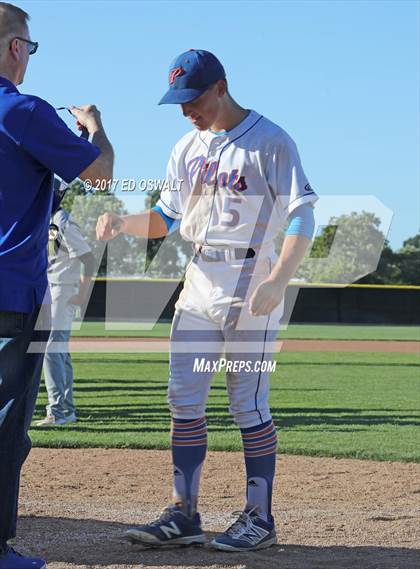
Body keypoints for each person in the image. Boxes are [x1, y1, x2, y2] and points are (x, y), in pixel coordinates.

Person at [96, 49, 318, 552]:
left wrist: (279, 279)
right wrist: (122, 223)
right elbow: (167, 220)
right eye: (177, 100)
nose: (184, 109)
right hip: (198, 278)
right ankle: (184, 514)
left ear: (220, 86)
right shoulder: (184, 147)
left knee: (248, 403)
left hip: (252, 277)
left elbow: (303, 215)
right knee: (183, 401)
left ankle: (259, 518)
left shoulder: (270, 141)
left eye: (192, 98)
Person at [0, 3, 114, 567]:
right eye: (29, 46)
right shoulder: (21, 110)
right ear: (16, 48)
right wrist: (94, 128)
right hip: (8, 294)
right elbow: (100, 173)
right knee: (5, 429)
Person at [36, 197, 95, 427]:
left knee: (51, 347)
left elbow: (88, 259)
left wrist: (83, 293)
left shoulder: (64, 222)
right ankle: (65, 409)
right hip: (53, 288)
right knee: (58, 349)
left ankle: (59, 410)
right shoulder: (49, 220)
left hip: (63, 289)